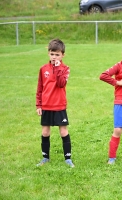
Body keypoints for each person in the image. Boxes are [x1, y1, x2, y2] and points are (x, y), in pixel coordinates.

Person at [35, 38, 74, 168]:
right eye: (52, 54)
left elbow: (61, 83)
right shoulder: (43, 69)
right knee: (45, 132)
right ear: (48, 53)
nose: (54, 57)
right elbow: (40, 88)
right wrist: (38, 105)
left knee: (63, 131)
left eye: (57, 54)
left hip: (59, 105)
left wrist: (57, 69)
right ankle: (45, 157)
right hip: (46, 105)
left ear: (63, 55)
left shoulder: (65, 68)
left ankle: (68, 158)